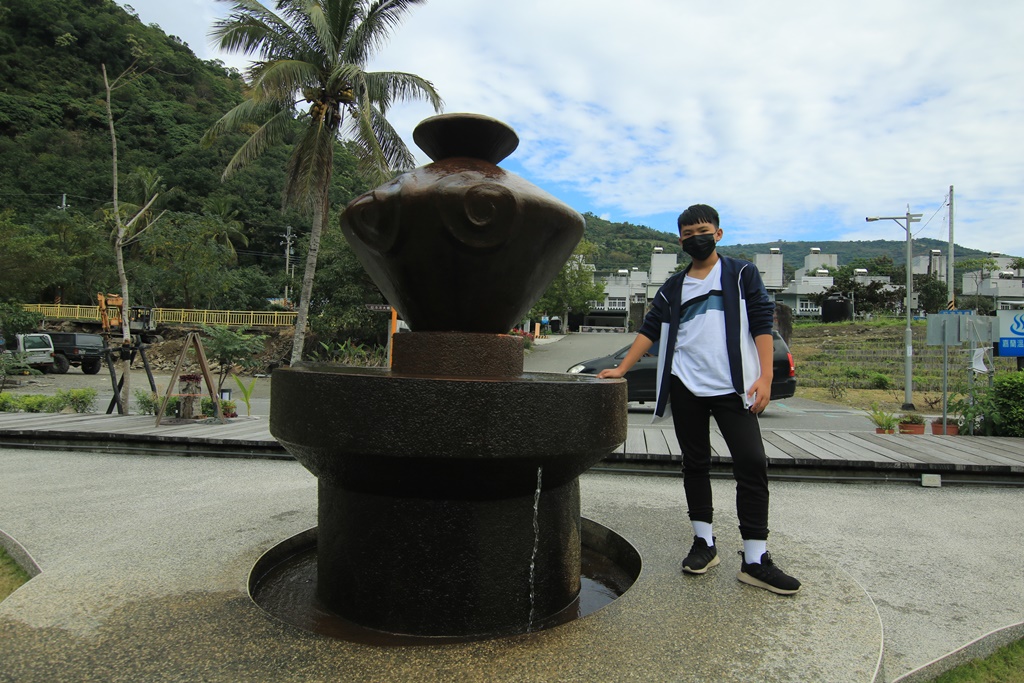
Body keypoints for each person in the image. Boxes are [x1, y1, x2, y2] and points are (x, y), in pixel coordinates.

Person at [597, 204, 800, 595]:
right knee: (695, 463)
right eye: (688, 234)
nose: (696, 238)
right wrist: (621, 369)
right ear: (680, 240)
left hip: (733, 386)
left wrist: (766, 376)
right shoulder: (673, 286)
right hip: (685, 385)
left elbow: (761, 320)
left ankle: (755, 558)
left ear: (718, 234)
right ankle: (703, 543)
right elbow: (650, 329)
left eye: (702, 230)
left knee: (752, 462)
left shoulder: (741, 273)